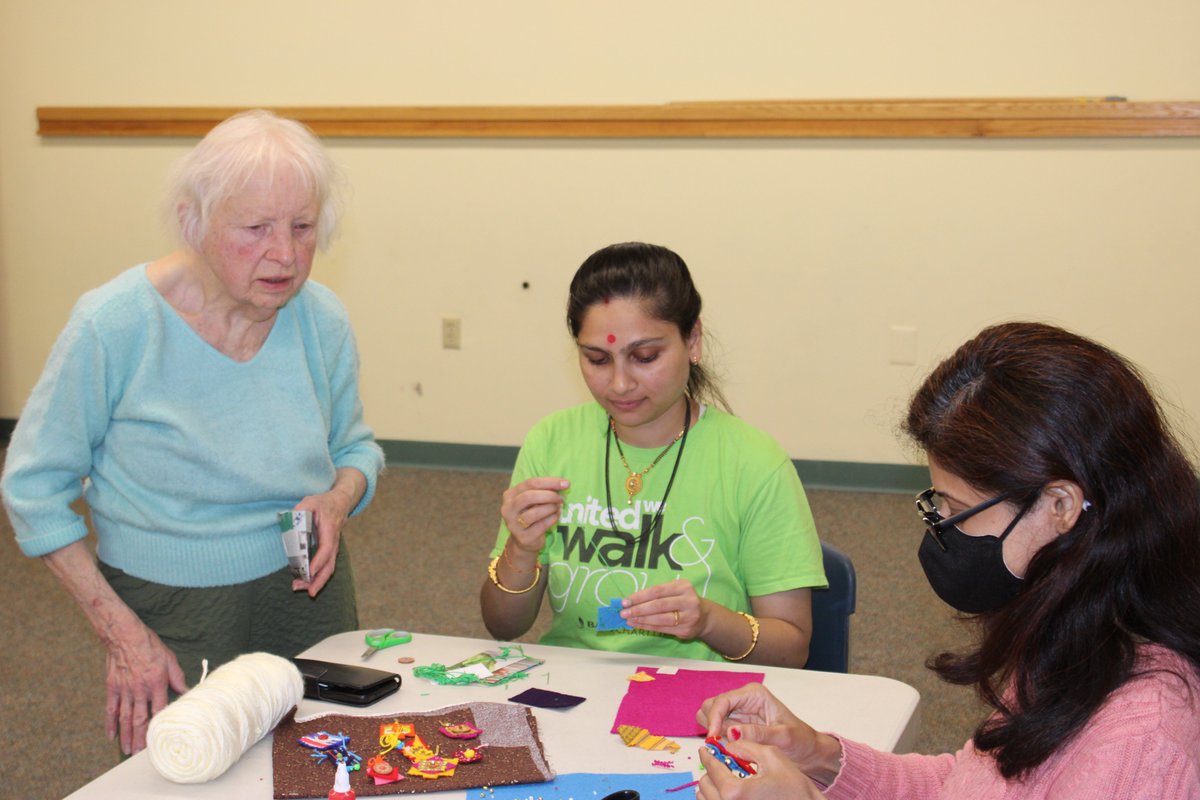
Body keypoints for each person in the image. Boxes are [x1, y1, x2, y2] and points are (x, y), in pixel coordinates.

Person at [0, 109, 384, 755]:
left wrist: (338, 499)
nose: (285, 254)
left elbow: (356, 450)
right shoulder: (115, 325)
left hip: (308, 590)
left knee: (326, 761)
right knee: (188, 770)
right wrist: (122, 635)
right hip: (171, 604)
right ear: (192, 221)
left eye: (302, 227)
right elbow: (32, 491)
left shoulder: (321, 318)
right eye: (256, 228)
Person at [695, 321, 1200, 799]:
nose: (945, 531)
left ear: (1061, 505)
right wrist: (819, 756)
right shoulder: (1078, 628)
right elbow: (974, 784)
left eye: (959, 510)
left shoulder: (1145, 736)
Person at [480, 242, 826, 667]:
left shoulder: (754, 464)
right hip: (571, 690)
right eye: (597, 358)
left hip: (700, 703)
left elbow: (792, 651)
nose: (620, 384)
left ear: (693, 341)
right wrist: (521, 548)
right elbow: (503, 626)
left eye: (645, 357)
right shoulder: (552, 441)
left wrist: (709, 622)